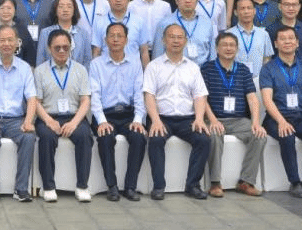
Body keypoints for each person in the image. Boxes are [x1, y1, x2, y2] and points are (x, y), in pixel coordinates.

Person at [143, 24, 211, 200]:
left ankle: (193, 185)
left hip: (187, 119)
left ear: (185, 41)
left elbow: (199, 95)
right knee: (156, 139)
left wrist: (199, 119)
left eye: (180, 37)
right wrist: (155, 120)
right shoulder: (153, 66)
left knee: (203, 139)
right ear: (163, 40)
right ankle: (159, 186)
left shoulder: (193, 67)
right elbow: (149, 95)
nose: (176, 41)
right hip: (161, 118)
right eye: (172, 37)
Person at [260, 26, 302, 199]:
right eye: (283, 39)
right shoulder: (268, 68)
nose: (287, 42)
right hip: (276, 118)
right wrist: (281, 121)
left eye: (291, 38)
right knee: (287, 135)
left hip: (301, 117)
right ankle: (295, 182)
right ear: (276, 44)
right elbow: (267, 100)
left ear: (297, 43)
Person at [0, 26, 37, 203]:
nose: (6, 44)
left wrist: (28, 121)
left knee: (28, 137)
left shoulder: (25, 68)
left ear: (18, 43)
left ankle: (21, 189)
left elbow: (32, 98)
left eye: (10, 40)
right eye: (2, 40)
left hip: (16, 120)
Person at [201, 32, 266, 198]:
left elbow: (252, 98)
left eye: (232, 45)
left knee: (259, 135)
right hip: (214, 118)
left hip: (238, 120)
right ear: (217, 48)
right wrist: (213, 120)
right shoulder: (207, 68)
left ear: (237, 49)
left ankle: (246, 182)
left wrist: (256, 122)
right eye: (224, 45)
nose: (228, 48)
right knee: (214, 135)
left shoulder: (243, 70)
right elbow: (202, 98)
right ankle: (215, 183)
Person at [88, 22, 147, 202]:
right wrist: (101, 121)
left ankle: (130, 186)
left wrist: (138, 119)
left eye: (119, 36)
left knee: (139, 137)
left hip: (128, 114)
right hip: (106, 114)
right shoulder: (96, 64)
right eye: (111, 36)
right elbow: (95, 96)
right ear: (105, 40)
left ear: (126, 40)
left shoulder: (135, 63)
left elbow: (139, 94)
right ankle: (111, 186)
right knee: (105, 137)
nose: (115, 39)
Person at [34, 29, 93, 202]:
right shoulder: (40, 71)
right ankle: (48, 187)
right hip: (48, 116)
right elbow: (36, 102)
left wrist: (74, 123)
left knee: (85, 136)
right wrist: (48, 121)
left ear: (71, 48)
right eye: (57, 47)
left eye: (65, 47)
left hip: (74, 116)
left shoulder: (81, 70)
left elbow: (85, 100)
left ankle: (82, 186)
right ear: (49, 48)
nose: (61, 51)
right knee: (46, 137)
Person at [151, 0, 215, 66]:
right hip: (174, 70)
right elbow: (157, 54)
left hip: (202, 70)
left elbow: (212, 54)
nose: (187, 0)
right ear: (176, 0)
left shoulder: (206, 23)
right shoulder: (164, 23)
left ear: (197, 0)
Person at [92, 0, 151, 68]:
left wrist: (146, 72)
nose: (118, 0)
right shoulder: (99, 22)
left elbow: (144, 51)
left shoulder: (139, 21)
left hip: (132, 71)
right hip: (106, 70)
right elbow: (97, 51)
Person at [36, 0, 92, 68]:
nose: (65, 10)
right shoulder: (45, 33)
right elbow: (40, 61)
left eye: (69, 6)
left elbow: (87, 61)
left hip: (78, 74)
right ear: (55, 10)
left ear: (74, 10)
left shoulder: (83, 34)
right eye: (61, 6)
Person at [227, 0, 274, 79]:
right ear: (235, 12)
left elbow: (267, 59)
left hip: (258, 80)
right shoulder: (228, 34)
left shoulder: (263, 34)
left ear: (254, 11)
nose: (246, 11)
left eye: (249, 8)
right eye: (242, 8)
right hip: (234, 80)